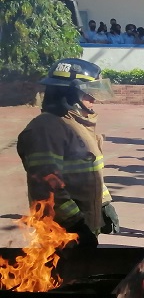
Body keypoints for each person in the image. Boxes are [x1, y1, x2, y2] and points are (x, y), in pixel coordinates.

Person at [17, 57, 118, 248]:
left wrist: (104, 203)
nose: (93, 99)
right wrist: (76, 223)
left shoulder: (76, 124)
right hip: (60, 234)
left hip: (83, 227)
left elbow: (90, 172)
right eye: (87, 93)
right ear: (69, 94)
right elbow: (47, 186)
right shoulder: (46, 129)